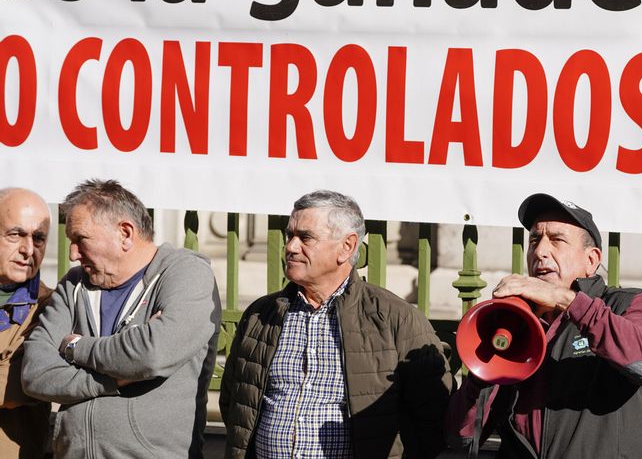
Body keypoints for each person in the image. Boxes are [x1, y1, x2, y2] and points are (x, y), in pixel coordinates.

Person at [220, 190, 452, 459]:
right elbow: (235, 401)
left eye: (306, 237)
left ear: (347, 247)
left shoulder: (395, 318)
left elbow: (432, 417)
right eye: (290, 236)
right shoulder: (261, 315)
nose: (291, 247)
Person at [446, 193, 642, 458]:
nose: (540, 251)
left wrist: (566, 300)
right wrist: (481, 378)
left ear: (591, 260)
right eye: (534, 240)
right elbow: (461, 441)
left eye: (557, 240)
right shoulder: (518, 324)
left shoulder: (628, 304)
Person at [21, 179, 221, 458]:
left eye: (80, 239)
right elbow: (35, 373)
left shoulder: (186, 273)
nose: (73, 253)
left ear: (125, 233)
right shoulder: (75, 284)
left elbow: (152, 354)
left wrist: (76, 348)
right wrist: (113, 380)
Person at [0, 188, 52, 457]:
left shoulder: (51, 309)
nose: (28, 250)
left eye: (39, 238)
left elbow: (23, 383)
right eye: (16, 234)